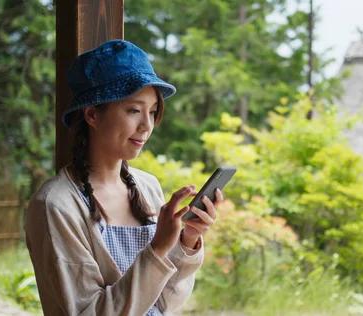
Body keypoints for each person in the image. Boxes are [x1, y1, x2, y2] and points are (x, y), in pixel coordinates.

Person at [25, 39, 223, 316]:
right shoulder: (55, 205)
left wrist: (186, 241)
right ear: (92, 114)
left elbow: (164, 305)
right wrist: (158, 249)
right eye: (134, 110)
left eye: (152, 112)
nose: (146, 126)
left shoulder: (147, 186)